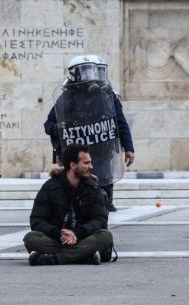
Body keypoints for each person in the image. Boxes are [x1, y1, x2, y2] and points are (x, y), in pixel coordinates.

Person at [44, 55, 134, 212]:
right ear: (76, 74)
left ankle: (106, 202)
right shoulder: (67, 97)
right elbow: (49, 124)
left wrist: (129, 148)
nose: (91, 76)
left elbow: (120, 122)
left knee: (104, 178)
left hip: (102, 150)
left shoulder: (107, 95)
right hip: (78, 152)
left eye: (95, 71)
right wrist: (57, 129)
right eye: (86, 72)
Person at [24, 143, 114, 266]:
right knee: (31, 238)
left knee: (106, 236)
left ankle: (54, 259)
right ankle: (85, 257)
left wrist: (76, 233)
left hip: (84, 238)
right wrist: (59, 233)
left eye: (90, 162)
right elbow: (37, 220)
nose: (91, 166)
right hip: (58, 239)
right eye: (86, 163)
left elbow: (100, 220)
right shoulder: (50, 187)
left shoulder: (93, 187)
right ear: (73, 165)